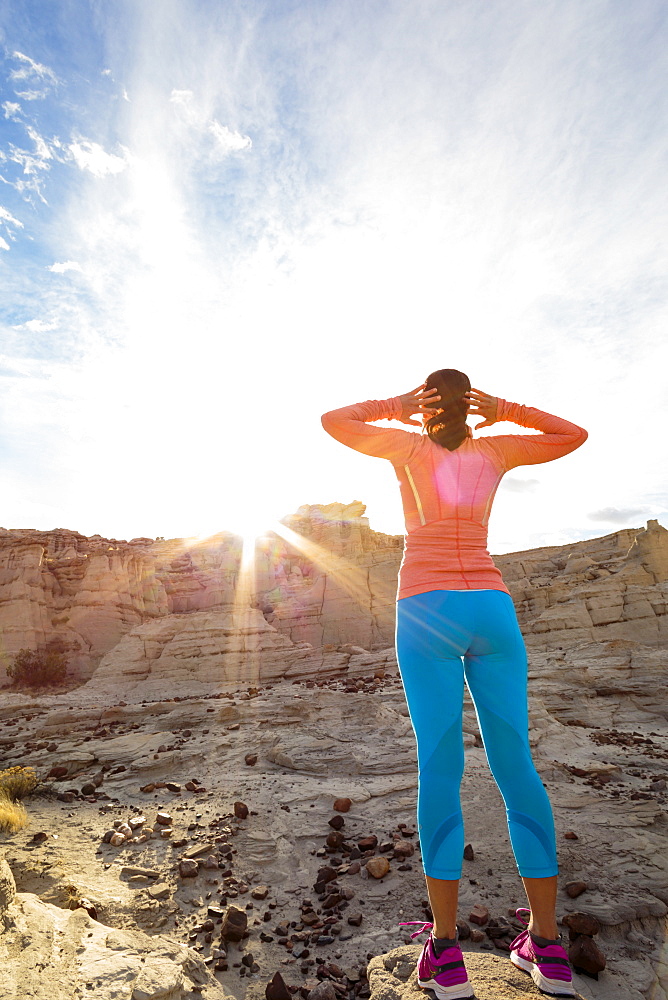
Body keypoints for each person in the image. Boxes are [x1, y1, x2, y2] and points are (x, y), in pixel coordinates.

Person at [321, 370, 588, 999]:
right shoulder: (496, 449)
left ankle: (446, 955)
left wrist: (395, 404)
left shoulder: (407, 446)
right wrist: (503, 408)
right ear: (470, 406)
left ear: (424, 407)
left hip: (426, 607)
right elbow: (572, 434)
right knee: (515, 764)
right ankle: (547, 948)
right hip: (491, 608)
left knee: (440, 766)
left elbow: (334, 421)